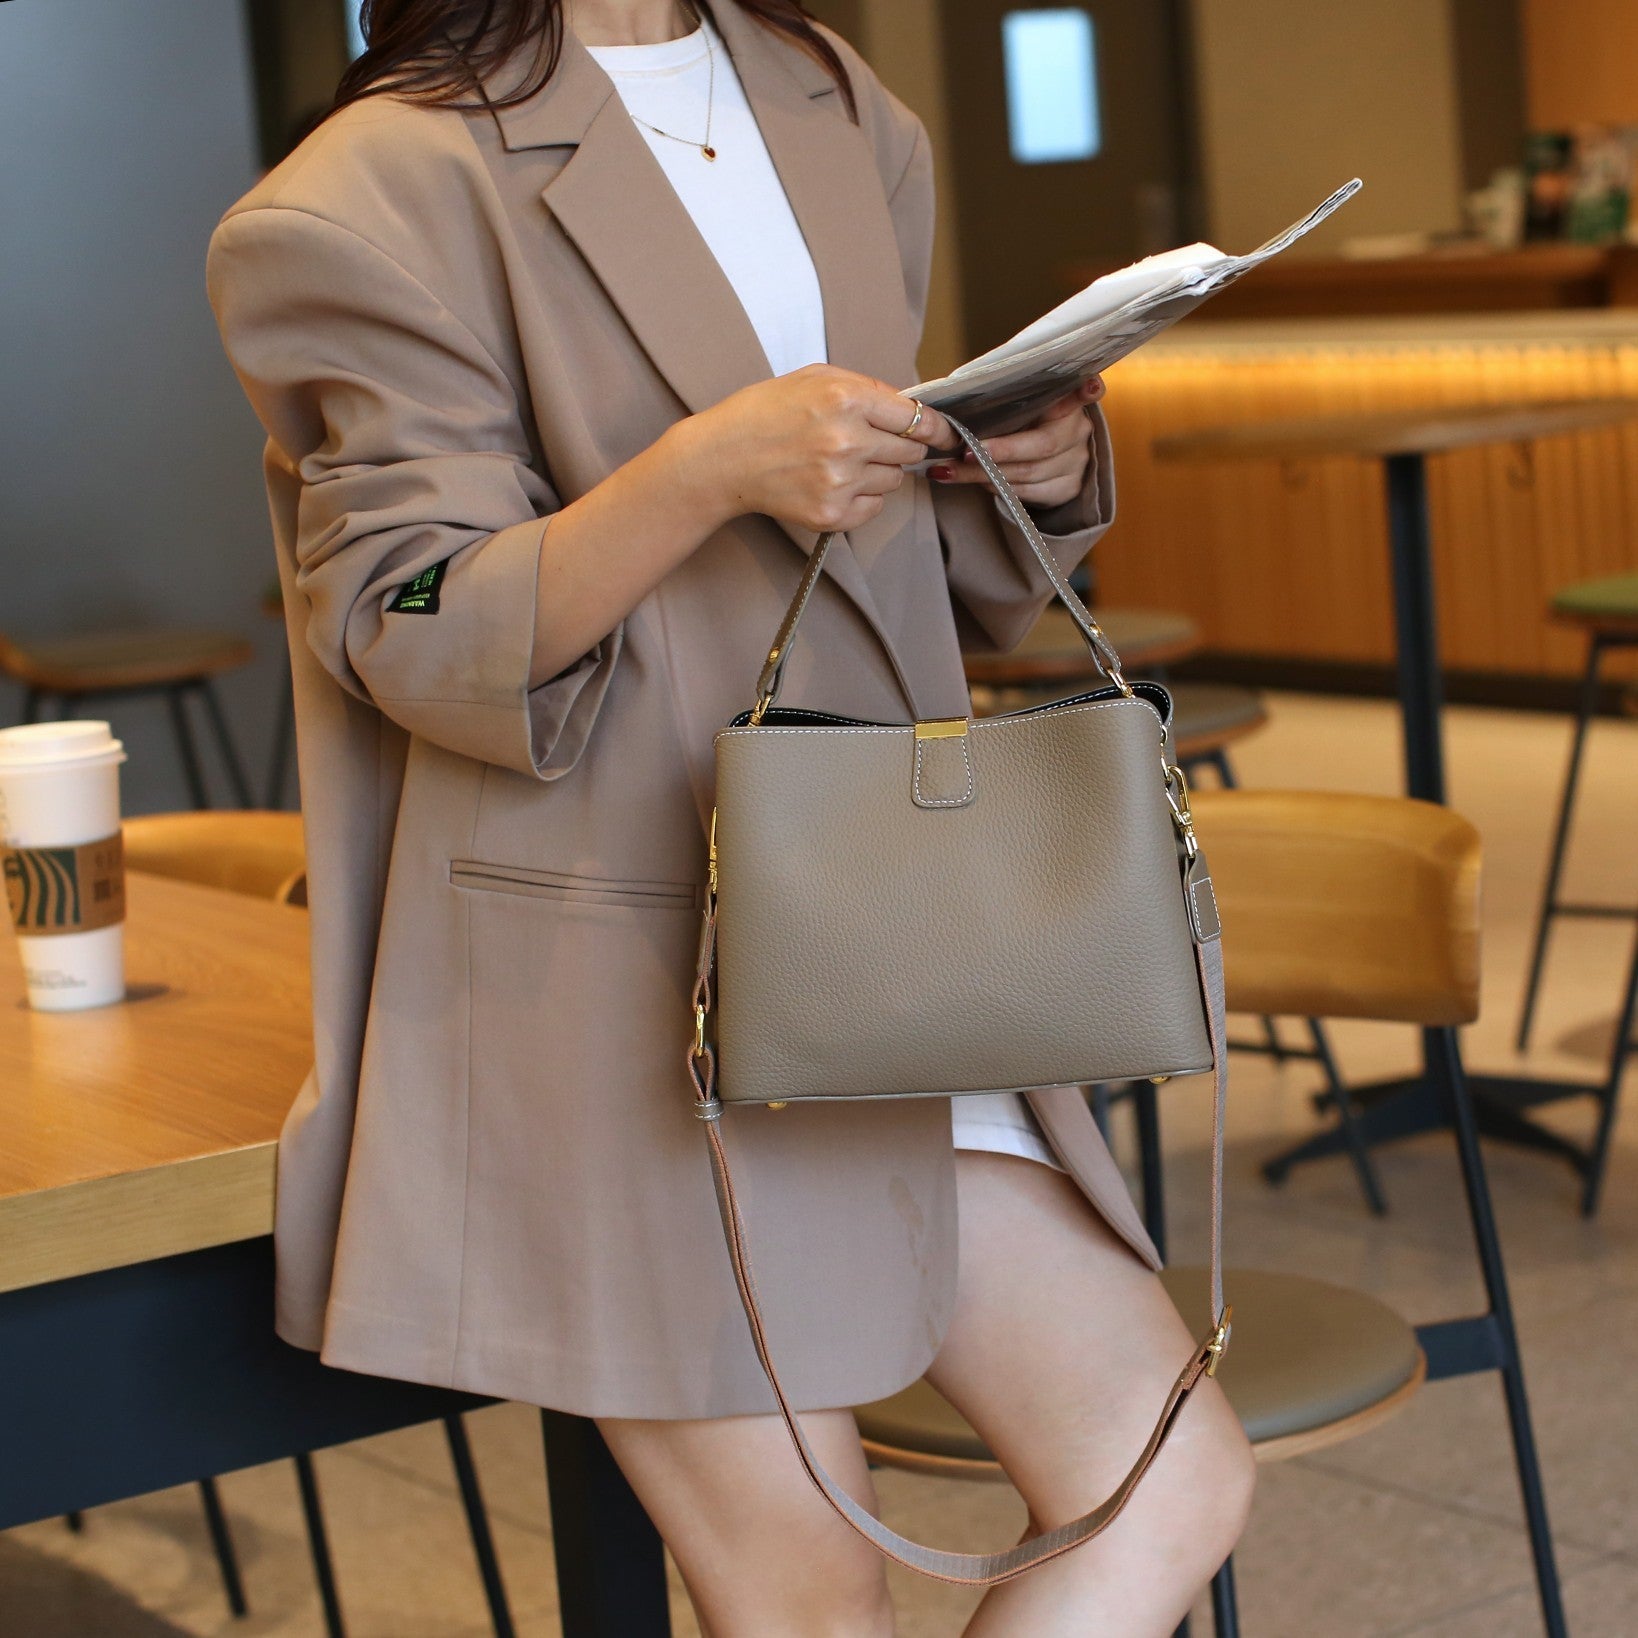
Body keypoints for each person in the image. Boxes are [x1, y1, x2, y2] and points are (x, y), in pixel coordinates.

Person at [207, 1, 1254, 1631]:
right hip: (622, 988)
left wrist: (1012, 462)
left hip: (878, 940)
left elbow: (872, 526)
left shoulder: (833, 101)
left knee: (1169, 1470)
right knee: (810, 1587)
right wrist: (702, 469)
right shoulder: (364, 194)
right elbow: (404, 617)